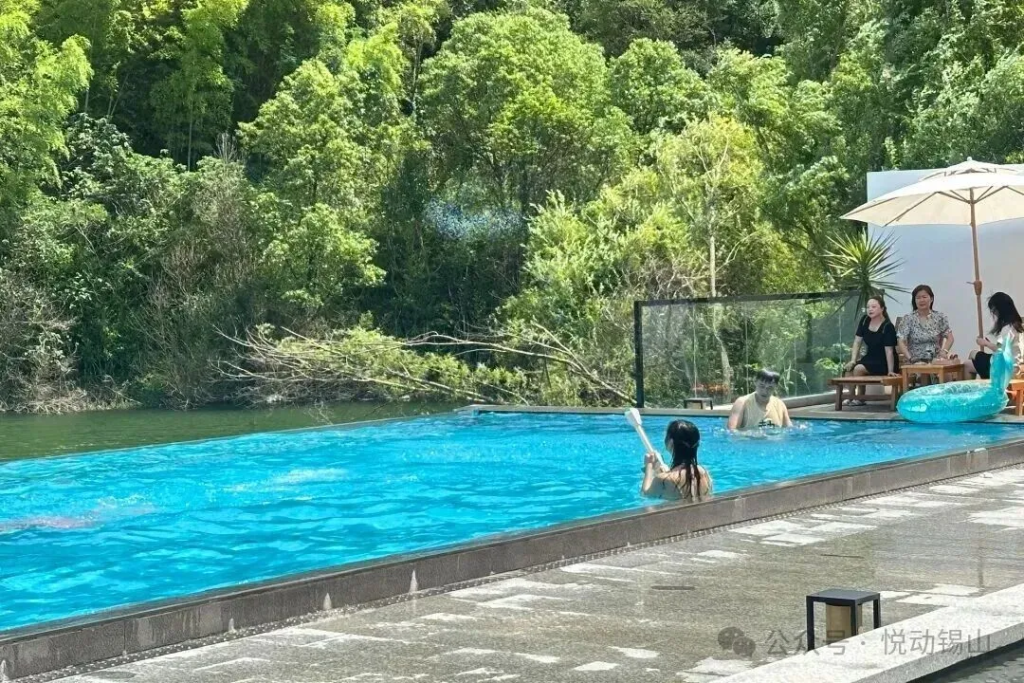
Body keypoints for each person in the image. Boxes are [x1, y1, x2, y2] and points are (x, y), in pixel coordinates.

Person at [842, 296, 899, 406]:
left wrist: (890, 371)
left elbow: (889, 351)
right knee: (849, 369)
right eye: (868, 307)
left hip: (884, 361)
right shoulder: (864, 320)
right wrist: (853, 360)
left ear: (882, 309)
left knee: (858, 368)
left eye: (873, 307)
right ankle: (851, 396)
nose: (870, 309)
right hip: (870, 358)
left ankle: (860, 397)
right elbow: (857, 342)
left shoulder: (888, 326)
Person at [640, 419, 712, 501]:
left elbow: (645, 494)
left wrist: (649, 467)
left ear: (671, 443)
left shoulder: (663, 479)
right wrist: (667, 472)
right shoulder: (703, 472)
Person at [964, 292, 1024, 379]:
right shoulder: (1018, 325)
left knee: (967, 364)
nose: (994, 314)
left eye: (994, 311)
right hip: (1015, 365)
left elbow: (999, 350)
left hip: (1004, 368)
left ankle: (975, 386)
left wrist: (985, 343)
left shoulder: (1007, 329)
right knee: (973, 353)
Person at [896, 284, 955, 364]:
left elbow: (950, 338)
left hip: (935, 361)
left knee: (952, 365)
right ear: (914, 300)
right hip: (915, 361)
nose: (921, 300)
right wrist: (910, 358)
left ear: (931, 299)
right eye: (918, 298)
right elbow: (900, 341)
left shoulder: (939, 317)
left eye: (924, 297)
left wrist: (944, 351)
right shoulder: (908, 319)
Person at [727, 369, 792, 431]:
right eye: (761, 386)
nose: (765, 391)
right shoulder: (742, 403)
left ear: (776, 387)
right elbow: (732, 432)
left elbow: (790, 430)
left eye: (770, 388)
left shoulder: (780, 405)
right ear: (755, 382)